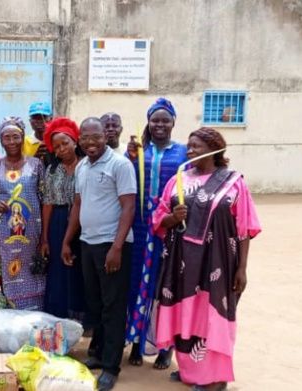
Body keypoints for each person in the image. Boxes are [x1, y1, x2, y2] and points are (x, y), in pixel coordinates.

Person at [153, 128, 261, 391]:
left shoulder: (233, 183)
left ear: (214, 149)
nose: (190, 151)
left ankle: (216, 378)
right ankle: (191, 370)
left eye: (197, 146)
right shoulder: (178, 180)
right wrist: (173, 218)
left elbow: (244, 228)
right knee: (186, 313)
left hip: (218, 262)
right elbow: (159, 219)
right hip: (181, 262)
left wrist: (242, 268)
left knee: (212, 315)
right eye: (189, 146)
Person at [62, 117, 136, 391]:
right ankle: (100, 353)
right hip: (87, 243)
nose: (90, 142)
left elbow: (128, 207)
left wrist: (117, 247)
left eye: (96, 137)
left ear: (106, 136)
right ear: (79, 139)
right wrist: (67, 241)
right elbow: (78, 205)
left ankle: (111, 366)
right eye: (85, 138)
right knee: (96, 303)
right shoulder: (82, 166)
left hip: (112, 245)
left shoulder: (120, 164)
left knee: (113, 306)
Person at [124, 98, 188, 367]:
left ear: (173, 123)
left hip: (169, 227)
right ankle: (137, 341)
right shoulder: (139, 151)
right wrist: (130, 155)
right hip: (140, 226)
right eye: (155, 120)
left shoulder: (184, 152)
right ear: (148, 123)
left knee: (164, 286)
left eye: (165, 120)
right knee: (138, 282)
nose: (160, 124)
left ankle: (164, 346)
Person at [0, 117, 45, 310]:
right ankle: (12, 308)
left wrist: (44, 234)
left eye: (15, 137)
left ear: (23, 137)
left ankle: (36, 310)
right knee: (9, 267)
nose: (11, 141)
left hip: (33, 230)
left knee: (34, 267)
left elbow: (45, 198)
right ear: (1, 141)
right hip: (4, 232)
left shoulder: (36, 165)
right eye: (6, 137)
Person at [40, 117, 86, 321]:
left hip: (84, 221)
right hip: (58, 222)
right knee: (59, 269)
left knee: (80, 268)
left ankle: (81, 316)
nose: (62, 149)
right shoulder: (52, 170)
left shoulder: (87, 165)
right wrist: (44, 237)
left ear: (75, 141)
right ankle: (58, 315)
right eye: (57, 147)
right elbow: (48, 203)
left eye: (65, 143)